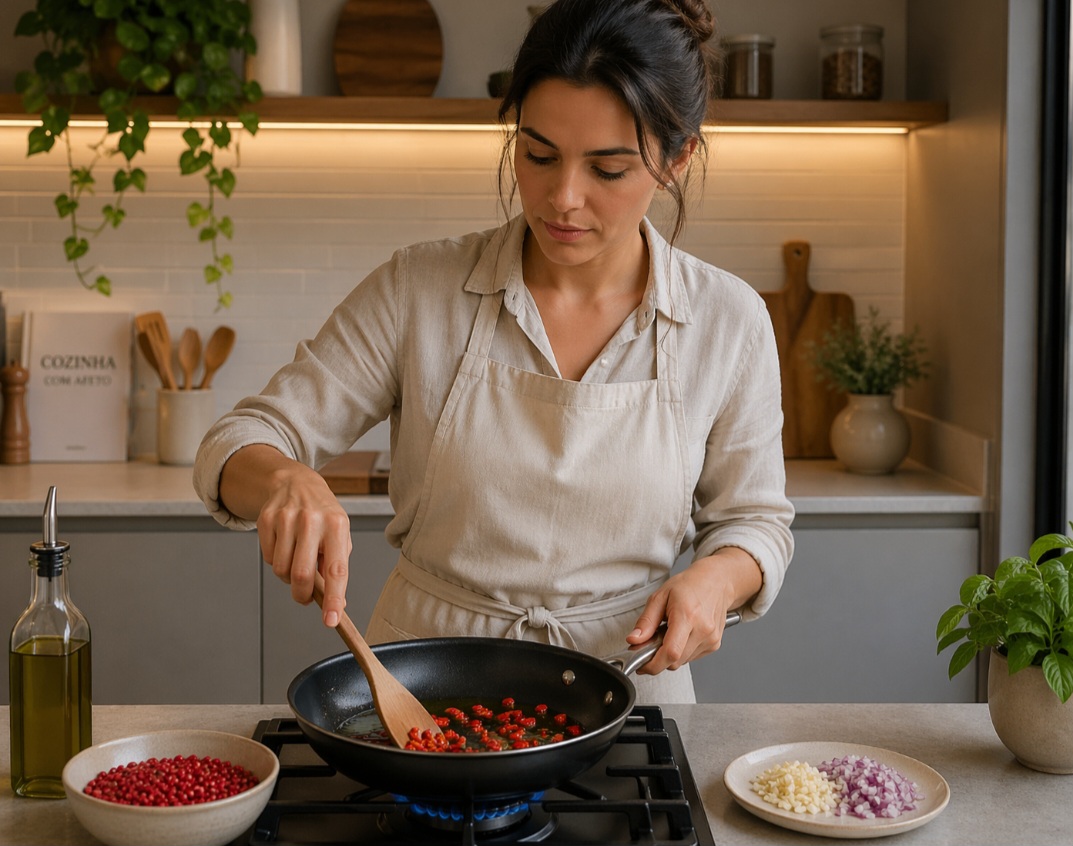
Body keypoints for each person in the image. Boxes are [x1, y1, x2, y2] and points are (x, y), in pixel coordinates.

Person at [193, 0, 794, 704]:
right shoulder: (420, 289)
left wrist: (717, 579)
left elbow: (754, 523)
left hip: (624, 689)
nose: (562, 197)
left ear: (676, 157)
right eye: (538, 155)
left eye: (607, 169)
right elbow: (237, 441)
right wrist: (285, 481)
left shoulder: (727, 320)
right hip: (425, 684)